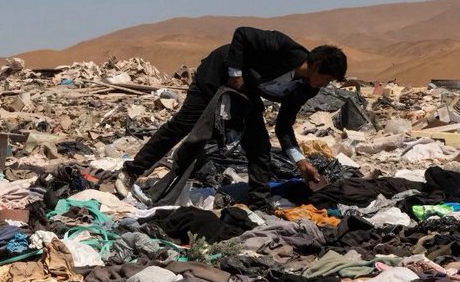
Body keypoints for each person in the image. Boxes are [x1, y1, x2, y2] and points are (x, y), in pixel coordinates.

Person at [115, 27, 347, 207]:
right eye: (327, 78)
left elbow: (284, 127)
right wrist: (235, 75)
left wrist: (300, 161)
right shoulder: (283, 48)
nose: (326, 85)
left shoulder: (306, 89)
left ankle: (259, 202)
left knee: (259, 145)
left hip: (246, 91)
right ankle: (132, 171)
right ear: (316, 64)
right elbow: (242, 34)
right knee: (184, 124)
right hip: (218, 74)